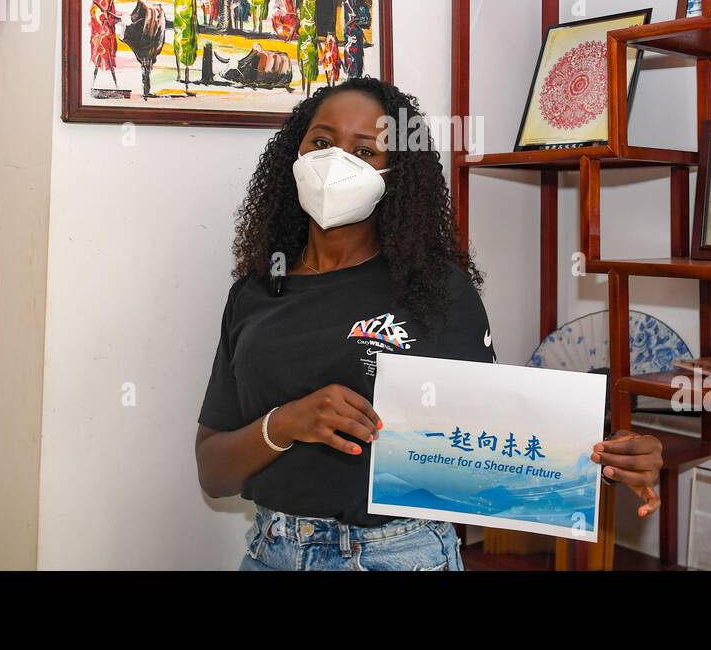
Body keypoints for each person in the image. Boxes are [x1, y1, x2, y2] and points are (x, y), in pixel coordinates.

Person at [194, 77, 664, 570]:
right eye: (323, 142)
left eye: (365, 150)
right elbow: (213, 471)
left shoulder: (436, 290)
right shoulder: (254, 293)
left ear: (395, 174)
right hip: (271, 552)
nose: (337, 161)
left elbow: (494, 449)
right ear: (296, 152)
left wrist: (606, 463)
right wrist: (285, 423)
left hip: (397, 555)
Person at [89, 0, 122, 89]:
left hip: (97, 13)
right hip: (102, 15)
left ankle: (96, 77)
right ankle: (107, 79)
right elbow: (105, 1)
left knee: (100, 42)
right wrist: (110, 15)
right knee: (105, 42)